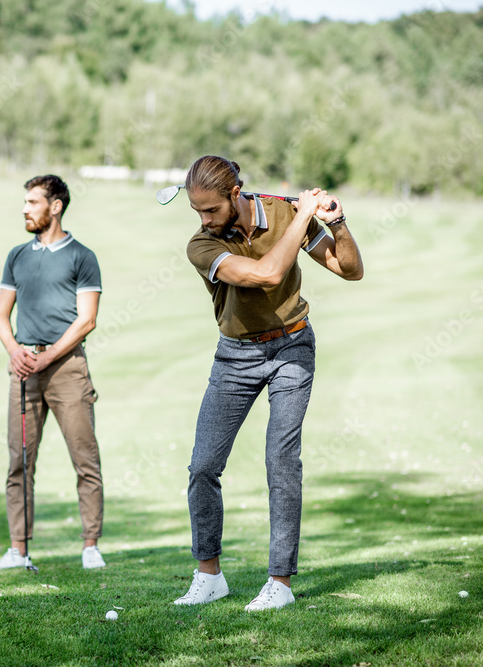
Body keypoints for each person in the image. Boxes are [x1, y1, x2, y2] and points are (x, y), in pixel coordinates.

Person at [173, 156, 363, 610]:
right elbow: (266, 275)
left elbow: (350, 269)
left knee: (281, 460)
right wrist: (303, 214)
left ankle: (280, 582)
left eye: (211, 210)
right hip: (234, 356)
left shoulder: (280, 214)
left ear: (235, 194)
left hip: (292, 348)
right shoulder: (201, 245)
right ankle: (209, 574)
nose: (204, 220)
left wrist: (336, 223)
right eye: (197, 211)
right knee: (203, 466)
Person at [0, 174, 106, 572]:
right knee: (19, 461)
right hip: (24, 372)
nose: (25, 208)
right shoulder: (17, 256)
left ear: (55, 206)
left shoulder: (82, 256)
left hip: (68, 371)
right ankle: (18, 551)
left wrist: (49, 356)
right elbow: (1, 315)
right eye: (24, 202)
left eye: (33, 202)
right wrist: (16, 351)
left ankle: (90, 545)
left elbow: (86, 320)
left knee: (84, 458)